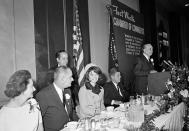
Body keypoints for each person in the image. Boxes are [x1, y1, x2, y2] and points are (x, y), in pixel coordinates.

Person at [36, 66, 78, 131]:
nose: (72, 79)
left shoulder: (68, 91)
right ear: (62, 79)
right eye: (70, 77)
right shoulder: (43, 95)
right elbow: (37, 121)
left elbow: (72, 112)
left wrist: (79, 122)